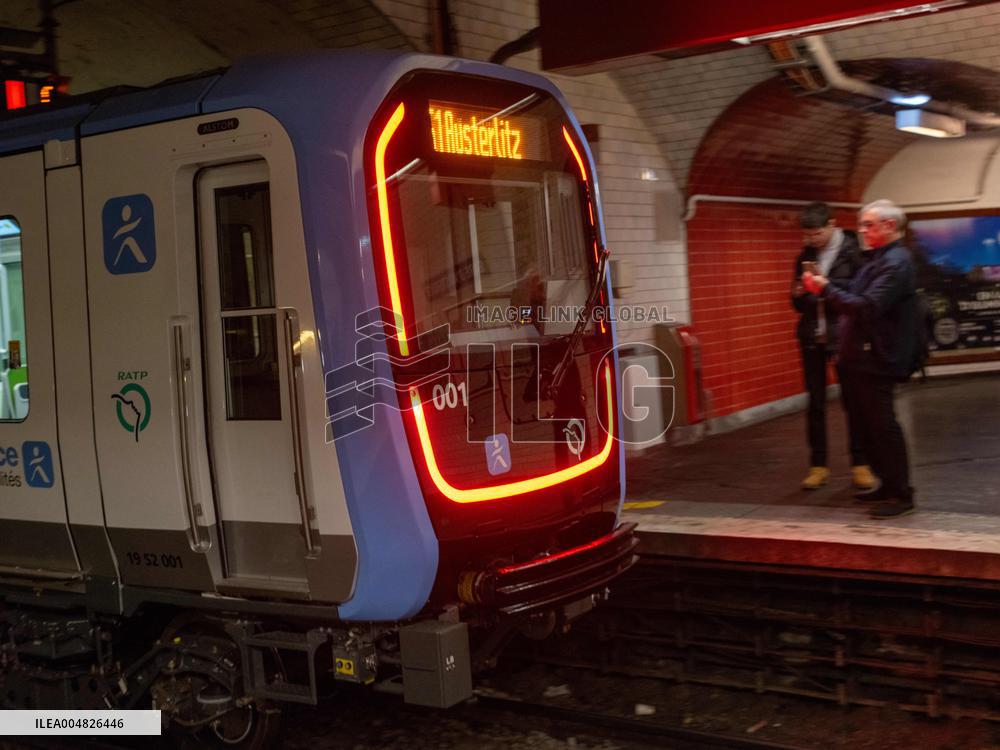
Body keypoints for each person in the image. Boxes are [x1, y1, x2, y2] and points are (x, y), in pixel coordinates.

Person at [803, 199, 918, 519]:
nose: (863, 231)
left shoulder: (896, 263)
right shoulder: (877, 258)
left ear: (890, 226)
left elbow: (867, 306)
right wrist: (825, 284)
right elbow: (854, 287)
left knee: (882, 425)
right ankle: (886, 483)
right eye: (863, 224)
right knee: (866, 425)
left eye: (869, 224)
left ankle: (901, 493)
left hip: (877, 357)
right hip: (860, 356)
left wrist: (825, 289)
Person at [791, 202, 874, 491]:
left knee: (853, 402)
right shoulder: (804, 256)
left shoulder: (855, 252)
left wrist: (825, 287)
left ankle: (860, 464)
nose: (810, 240)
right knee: (815, 403)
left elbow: (858, 293)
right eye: (807, 235)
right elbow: (797, 303)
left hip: (845, 336)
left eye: (815, 234)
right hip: (813, 336)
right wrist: (801, 292)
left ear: (831, 224)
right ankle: (818, 465)